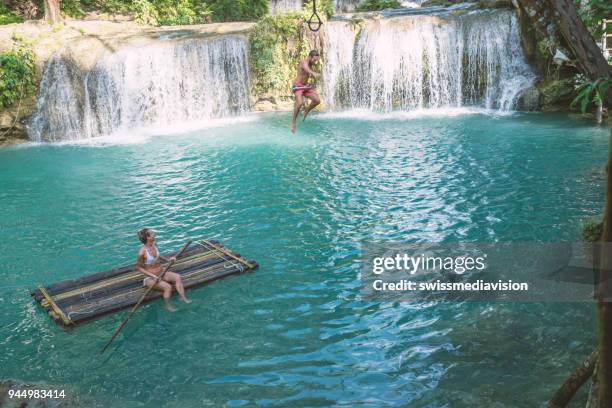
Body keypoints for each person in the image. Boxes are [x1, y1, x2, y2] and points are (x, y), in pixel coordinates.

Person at [136, 228, 192, 312]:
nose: (154, 233)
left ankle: (182, 297)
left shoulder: (154, 244)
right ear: (148, 237)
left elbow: (158, 256)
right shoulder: (142, 252)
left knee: (177, 277)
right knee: (168, 287)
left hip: (162, 273)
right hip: (151, 278)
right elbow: (138, 267)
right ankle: (167, 305)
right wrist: (153, 276)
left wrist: (168, 260)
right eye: (152, 233)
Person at [290, 50, 322, 133]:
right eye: (314, 60)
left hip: (305, 86)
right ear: (310, 57)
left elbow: (307, 73)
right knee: (299, 103)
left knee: (317, 100)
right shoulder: (303, 62)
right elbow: (307, 69)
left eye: (316, 61)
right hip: (298, 86)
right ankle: (293, 123)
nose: (315, 62)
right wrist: (313, 73)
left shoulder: (311, 64)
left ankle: (306, 111)